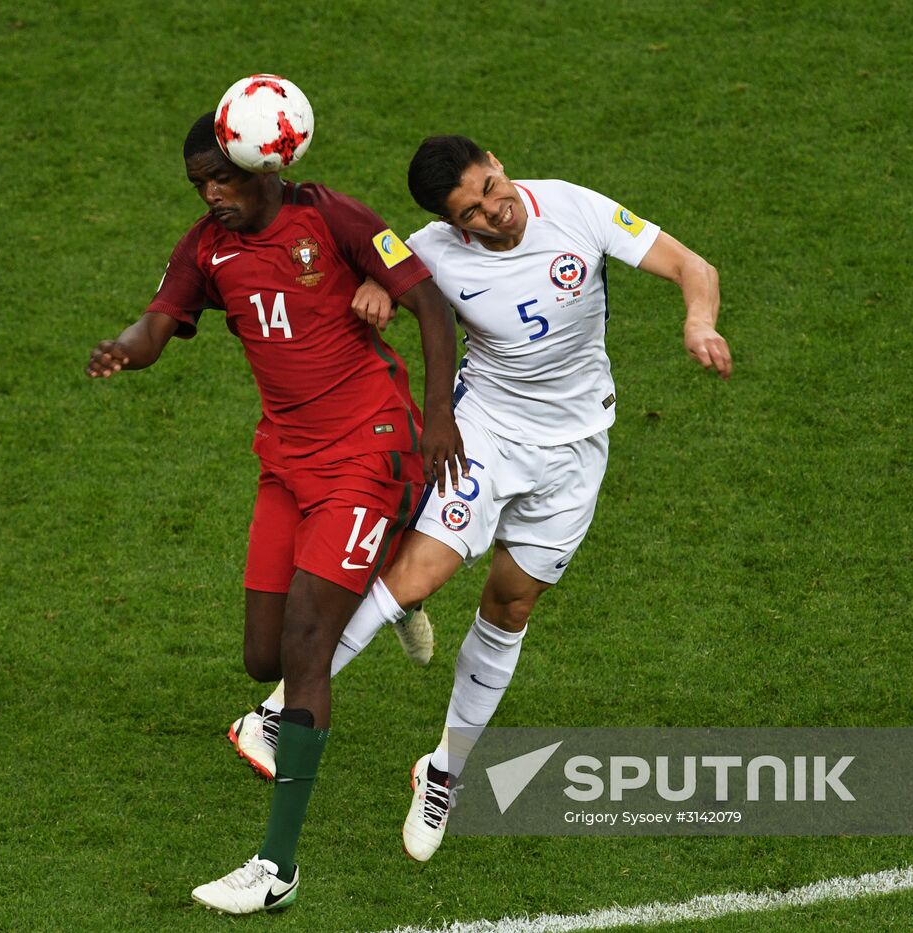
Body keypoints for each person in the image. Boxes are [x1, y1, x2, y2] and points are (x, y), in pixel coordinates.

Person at [232, 134, 732, 862]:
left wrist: (698, 319)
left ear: (499, 163)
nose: (498, 213)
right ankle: (275, 712)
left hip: (577, 449)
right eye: (475, 212)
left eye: (494, 190)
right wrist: (375, 289)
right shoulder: (431, 248)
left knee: (510, 605)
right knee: (418, 576)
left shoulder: (573, 207)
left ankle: (443, 769)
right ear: (452, 223)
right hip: (486, 432)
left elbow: (694, 266)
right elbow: (365, 275)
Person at [85, 113, 465, 914]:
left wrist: (439, 415)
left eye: (222, 178)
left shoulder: (330, 217)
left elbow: (431, 305)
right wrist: (126, 347)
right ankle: (397, 576)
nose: (212, 194)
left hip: (368, 448)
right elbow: (158, 323)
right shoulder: (205, 249)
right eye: (199, 184)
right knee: (263, 658)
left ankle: (276, 865)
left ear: (266, 161)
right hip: (286, 463)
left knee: (304, 646)